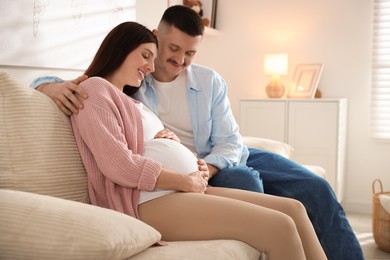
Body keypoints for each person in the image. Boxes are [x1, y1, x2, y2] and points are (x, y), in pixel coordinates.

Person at [31, 5, 363, 260]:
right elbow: (118, 160)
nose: (178, 60)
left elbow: (228, 142)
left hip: (217, 160)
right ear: (154, 38)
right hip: (152, 195)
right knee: (279, 224)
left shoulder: (184, 85)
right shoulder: (102, 90)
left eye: (189, 53)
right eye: (166, 50)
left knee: (297, 207)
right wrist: (46, 87)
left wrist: (195, 161)